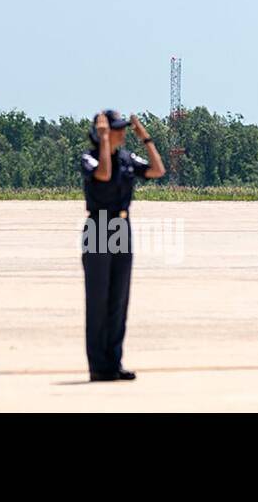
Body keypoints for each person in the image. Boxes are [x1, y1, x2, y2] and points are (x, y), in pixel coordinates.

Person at [78, 109, 166, 381]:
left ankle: (114, 363)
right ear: (100, 132)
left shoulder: (127, 158)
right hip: (98, 227)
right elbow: (103, 175)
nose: (122, 132)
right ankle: (99, 367)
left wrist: (146, 138)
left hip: (121, 226)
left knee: (118, 299)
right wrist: (104, 140)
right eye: (116, 129)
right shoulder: (90, 158)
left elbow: (157, 170)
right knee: (98, 300)